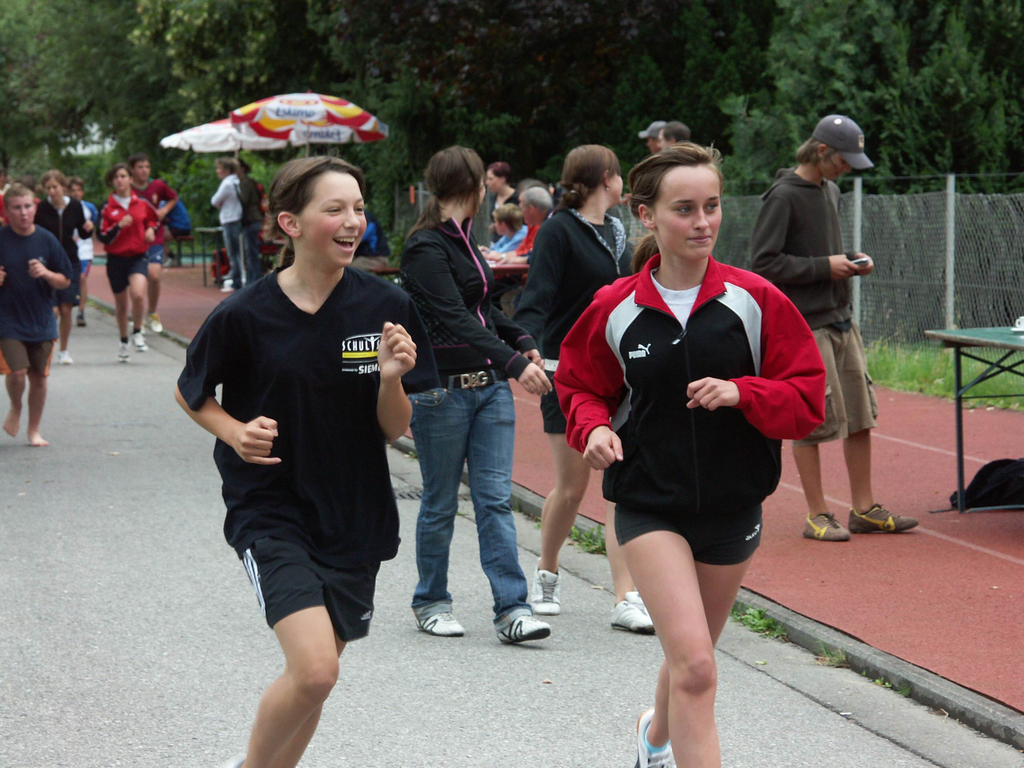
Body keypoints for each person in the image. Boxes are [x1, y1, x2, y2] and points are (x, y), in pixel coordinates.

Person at [556, 143, 825, 768]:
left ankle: (653, 738)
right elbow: (580, 385)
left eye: (712, 206)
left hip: (733, 507)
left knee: (690, 657)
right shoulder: (615, 306)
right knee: (699, 666)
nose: (703, 222)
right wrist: (592, 429)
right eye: (685, 209)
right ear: (646, 215)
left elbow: (807, 400)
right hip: (649, 502)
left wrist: (743, 392)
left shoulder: (756, 300)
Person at [175, 156, 438, 768]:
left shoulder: (386, 305)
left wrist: (391, 378)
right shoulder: (245, 313)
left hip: (354, 513)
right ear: (290, 223)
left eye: (359, 209)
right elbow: (192, 392)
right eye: (335, 209)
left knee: (318, 677)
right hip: (270, 508)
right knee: (316, 669)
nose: (353, 222)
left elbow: (393, 429)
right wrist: (235, 432)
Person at [400, 145, 553, 644]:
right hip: (442, 393)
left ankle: (512, 609)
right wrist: (514, 363)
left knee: (494, 501)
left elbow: (483, 309)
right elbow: (453, 316)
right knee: (441, 502)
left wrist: (521, 339)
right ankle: (431, 600)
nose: (488, 191)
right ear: (472, 186)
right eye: (483, 183)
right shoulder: (425, 246)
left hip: (490, 391)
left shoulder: (465, 237)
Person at [750, 114, 919, 541]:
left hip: (842, 318)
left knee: (860, 416)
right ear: (822, 151)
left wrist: (850, 259)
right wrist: (827, 266)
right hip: (805, 325)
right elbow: (764, 264)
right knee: (811, 418)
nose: (847, 169)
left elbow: (821, 251)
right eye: (843, 160)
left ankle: (864, 509)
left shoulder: (831, 190)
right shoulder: (783, 196)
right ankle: (817, 514)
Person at [513, 144, 652, 634]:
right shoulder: (558, 230)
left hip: (618, 374)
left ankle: (625, 596)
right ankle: (547, 572)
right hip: (565, 372)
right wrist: (526, 347)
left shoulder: (618, 231)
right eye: (620, 174)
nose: (623, 182)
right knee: (572, 488)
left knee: (619, 487)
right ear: (606, 178)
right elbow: (537, 295)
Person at [0, 184, 73, 447]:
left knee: (39, 378)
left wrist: (46, 273)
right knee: (18, 372)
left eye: (27, 206)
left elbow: (65, 280)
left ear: (35, 207)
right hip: (8, 320)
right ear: (7, 211)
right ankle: (16, 406)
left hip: (42, 320)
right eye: (16, 208)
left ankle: (34, 430)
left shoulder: (47, 239)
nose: (23, 212)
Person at [98, 162, 159, 362]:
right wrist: (118, 226)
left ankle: (138, 331)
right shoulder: (107, 207)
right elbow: (102, 235)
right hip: (116, 259)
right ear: (112, 182)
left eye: (123, 176)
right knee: (121, 304)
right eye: (116, 177)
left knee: (138, 294)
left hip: (137, 256)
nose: (120, 180)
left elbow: (154, 219)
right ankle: (124, 341)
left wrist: (150, 229)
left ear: (131, 179)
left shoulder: (141, 203)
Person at [35, 170, 92, 365]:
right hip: (47, 262)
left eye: (55, 187)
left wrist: (88, 228)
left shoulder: (75, 206)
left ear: (63, 187)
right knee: (53, 310)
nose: (52, 191)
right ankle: (46, 348)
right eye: (48, 188)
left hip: (69, 260)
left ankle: (64, 351)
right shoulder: (41, 208)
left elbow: (83, 233)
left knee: (66, 308)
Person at [128, 152, 179, 333]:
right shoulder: (127, 187)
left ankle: (152, 312)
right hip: (134, 238)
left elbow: (173, 197)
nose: (144, 170)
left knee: (154, 275)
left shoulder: (157, 186)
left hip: (155, 236)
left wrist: (164, 210)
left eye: (147, 167)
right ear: (132, 169)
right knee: (136, 280)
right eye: (140, 167)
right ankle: (137, 317)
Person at [67, 177, 98, 328]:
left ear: (83, 192)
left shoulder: (89, 208)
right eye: (73, 190)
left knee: (82, 278)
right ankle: (66, 307)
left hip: (85, 249)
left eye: (79, 190)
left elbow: (95, 223)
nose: (76, 193)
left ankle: (81, 310)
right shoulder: (64, 207)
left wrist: (91, 226)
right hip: (68, 248)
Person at [496, 185, 553, 265]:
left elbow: (542, 256)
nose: (521, 213)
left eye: (522, 208)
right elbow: (527, 251)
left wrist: (521, 260)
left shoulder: (550, 227)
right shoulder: (538, 224)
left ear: (531, 209)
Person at [210, 157, 244, 293]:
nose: (217, 171)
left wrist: (220, 204)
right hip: (237, 219)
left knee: (232, 253)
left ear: (227, 170)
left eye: (219, 168)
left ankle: (236, 282)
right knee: (238, 252)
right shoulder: (237, 181)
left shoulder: (227, 184)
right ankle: (239, 278)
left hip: (229, 220)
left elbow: (214, 200)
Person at [237, 158, 266, 285]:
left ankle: (253, 281)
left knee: (251, 254)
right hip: (255, 219)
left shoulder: (244, 182)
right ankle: (253, 280)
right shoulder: (250, 181)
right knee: (251, 253)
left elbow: (244, 201)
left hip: (251, 220)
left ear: (242, 169)